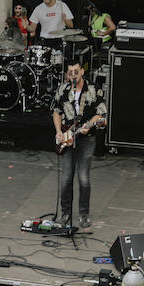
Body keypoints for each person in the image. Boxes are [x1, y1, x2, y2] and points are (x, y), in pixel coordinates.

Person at [51, 60, 107, 232]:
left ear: (82, 71)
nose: (73, 75)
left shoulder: (92, 89)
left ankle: (84, 215)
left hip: (86, 138)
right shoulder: (63, 90)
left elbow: (102, 113)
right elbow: (56, 111)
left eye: (76, 71)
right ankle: (65, 213)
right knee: (66, 178)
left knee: (83, 178)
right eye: (70, 72)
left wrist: (88, 125)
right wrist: (59, 131)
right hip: (68, 137)